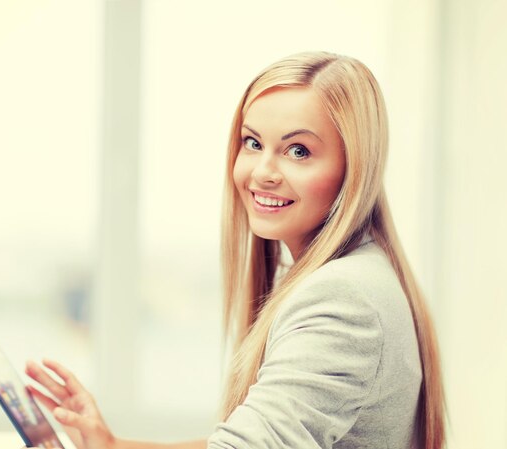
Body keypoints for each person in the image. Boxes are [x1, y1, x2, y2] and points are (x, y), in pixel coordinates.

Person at [25, 51, 446, 449]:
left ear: (354, 168)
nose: (263, 172)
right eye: (253, 143)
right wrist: (112, 445)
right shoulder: (358, 274)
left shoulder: (341, 298)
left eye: (298, 151)